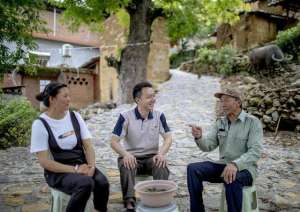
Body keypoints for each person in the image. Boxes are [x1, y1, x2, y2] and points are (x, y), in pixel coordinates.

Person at [30, 82, 109, 212]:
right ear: (52, 99)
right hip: (57, 172)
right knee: (85, 183)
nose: (69, 99)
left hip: (81, 165)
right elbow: (44, 162)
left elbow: (88, 146)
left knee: (102, 182)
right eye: (65, 96)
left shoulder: (75, 117)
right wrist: (76, 169)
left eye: (69, 95)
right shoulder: (40, 124)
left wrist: (92, 167)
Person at [187, 88, 263, 212]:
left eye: (226, 100)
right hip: (223, 166)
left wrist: (236, 164)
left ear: (238, 102)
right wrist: (199, 137)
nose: (223, 104)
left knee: (232, 177)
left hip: (246, 169)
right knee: (193, 169)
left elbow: (255, 151)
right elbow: (208, 146)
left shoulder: (253, 123)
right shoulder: (220, 122)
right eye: (221, 101)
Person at [111, 81, 172, 212]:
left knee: (161, 164)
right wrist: (126, 155)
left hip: (151, 157)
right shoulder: (125, 116)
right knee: (127, 164)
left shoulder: (159, 115)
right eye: (149, 97)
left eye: (154, 96)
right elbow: (114, 141)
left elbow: (168, 138)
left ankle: (158, 199)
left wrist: (161, 154)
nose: (153, 99)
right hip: (131, 156)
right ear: (138, 99)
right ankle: (129, 202)